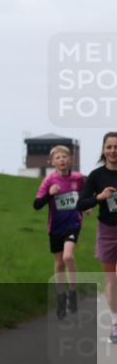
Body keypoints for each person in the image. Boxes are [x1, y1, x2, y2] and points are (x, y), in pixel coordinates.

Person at [33, 145, 85, 319]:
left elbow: (86, 192)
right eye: (58, 157)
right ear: (52, 162)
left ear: (70, 160)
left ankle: (72, 293)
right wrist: (49, 194)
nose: (62, 160)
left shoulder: (78, 178)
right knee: (59, 264)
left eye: (64, 156)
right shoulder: (49, 180)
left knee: (68, 257)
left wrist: (87, 205)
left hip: (73, 223)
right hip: (55, 227)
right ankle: (60, 297)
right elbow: (37, 205)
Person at [77, 132, 117, 344]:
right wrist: (99, 197)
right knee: (111, 280)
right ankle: (115, 324)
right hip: (107, 231)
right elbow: (80, 205)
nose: (113, 151)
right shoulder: (95, 176)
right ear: (103, 150)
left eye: (116, 147)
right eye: (109, 147)